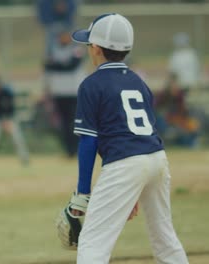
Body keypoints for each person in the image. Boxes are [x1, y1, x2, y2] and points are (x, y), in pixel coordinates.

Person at [68, 14, 188, 263]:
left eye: (89, 44)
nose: (89, 49)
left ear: (97, 49)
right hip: (156, 158)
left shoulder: (91, 85)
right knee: (165, 238)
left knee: (92, 242)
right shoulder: (138, 82)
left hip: (125, 163)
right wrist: (133, 188)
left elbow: (89, 141)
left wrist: (82, 192)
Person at [44, 29, 86, 157]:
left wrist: (57, 65)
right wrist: (62, 65)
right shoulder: (53, 50)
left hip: (73, 92)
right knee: (62, 123)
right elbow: (46, 66)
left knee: (74, 122)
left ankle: (77, 149)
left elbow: (72, 66)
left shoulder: (76, 50)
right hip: (59, 92)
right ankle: (68, 151)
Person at [155, 74, 199, 148]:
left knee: (193, 125)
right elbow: (156, 106)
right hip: (168, 119)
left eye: (175, 84)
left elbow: (183, 109)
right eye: (172, 84)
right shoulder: (164, 94)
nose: (174, 86)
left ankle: (191, 144)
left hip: (179, 119)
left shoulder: (180, 95)